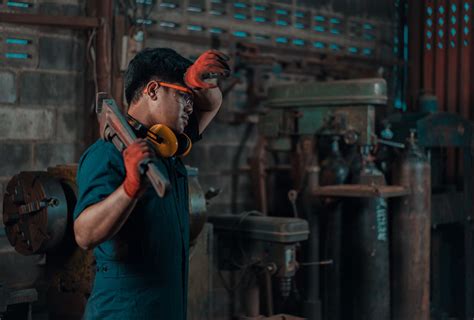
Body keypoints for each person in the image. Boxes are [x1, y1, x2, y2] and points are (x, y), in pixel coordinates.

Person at [73, 48, 230, 319]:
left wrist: (191, 81)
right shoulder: (107, 154)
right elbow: (84, 234)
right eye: (184, 96)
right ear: (153, 90)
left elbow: (213, 101)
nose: (191, 107)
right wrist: (129, 189)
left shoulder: (167, 149)